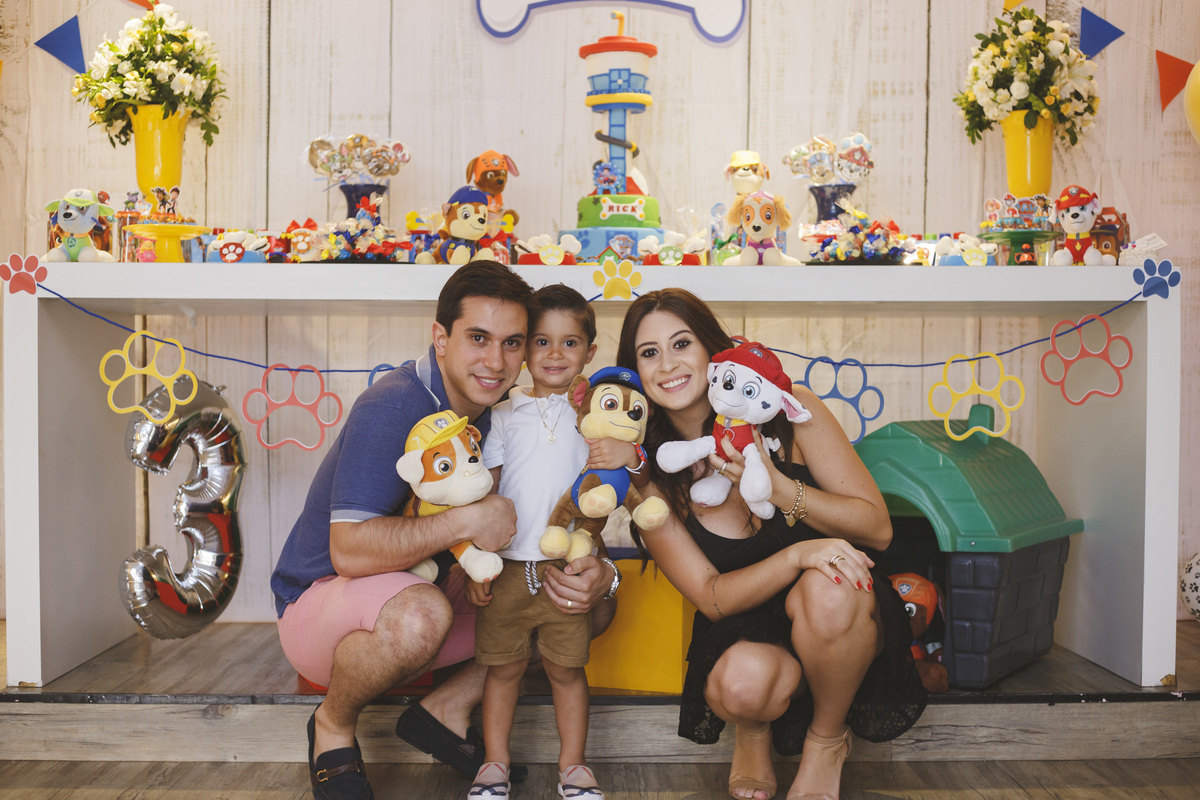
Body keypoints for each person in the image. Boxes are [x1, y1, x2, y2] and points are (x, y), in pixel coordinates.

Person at [270, 261, 618, 800]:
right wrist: (468, 520)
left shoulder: (501, 412)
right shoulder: (393, 404)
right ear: (440, 338)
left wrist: (603, 571)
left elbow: (548, 516)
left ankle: (445, 709)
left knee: (582, 601)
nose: (496, 361)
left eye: (511, 343)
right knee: (420, 616)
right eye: (478, 338)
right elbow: (348, 552)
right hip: (322, 605)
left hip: (425, 588)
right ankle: (333, 725)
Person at [615, 289, 925, 800]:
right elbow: (711, 597)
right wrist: (798, 554)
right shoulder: (650, 477)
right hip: (746, 626)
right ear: (635, 372)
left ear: (713, 349)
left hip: (843, 616)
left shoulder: (790, 409)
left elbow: (877, 528)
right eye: (649, 353)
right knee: (742, 683)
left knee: (828, 588)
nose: (667, 364)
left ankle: (826, 740)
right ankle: (753, 729)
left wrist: (781, 490)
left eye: (681, 343)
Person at [467, 285, 642, 800]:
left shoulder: (596, 415)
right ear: (523, 349)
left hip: (567, 569)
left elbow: (625, 474)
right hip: (506, 568)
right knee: (503, 670)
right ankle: (494, 764)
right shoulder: (504, 412)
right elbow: (489, 491)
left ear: (590, 352)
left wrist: (629, 456)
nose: (555, 354)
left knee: (566, 670)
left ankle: (574, 768)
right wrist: (476, 561)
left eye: (570, 343)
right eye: (541, 342)